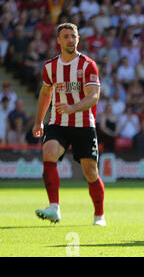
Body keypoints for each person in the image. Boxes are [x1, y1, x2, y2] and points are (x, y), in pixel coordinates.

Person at [32, 23, 106, 226]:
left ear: (78, 39)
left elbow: (94, 96)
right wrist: (39, 121)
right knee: (49, 152)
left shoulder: (87, 64)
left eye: (73, 36)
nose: (70, 40)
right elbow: (46, 93)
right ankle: (54, 207)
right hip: (58, 123)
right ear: (58, 41)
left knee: (90, 172)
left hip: (84, 125)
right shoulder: (50, 66)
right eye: (65, 36)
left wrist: (73, 108)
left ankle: (99, 216)